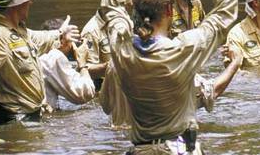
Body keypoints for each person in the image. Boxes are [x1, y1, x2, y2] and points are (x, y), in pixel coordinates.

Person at [103, 0, 237, 155]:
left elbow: (111, 7)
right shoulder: (184, 49)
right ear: (168, 11)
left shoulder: (122, 48)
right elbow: (226, 11)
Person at [0, 0, 80, 123]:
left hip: (29, 120)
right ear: (17, 4)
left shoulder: (19, 31)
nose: (31, 2)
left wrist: (62, 34)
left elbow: (41, 38)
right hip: (13, 121)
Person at [100, 46, 244, 129]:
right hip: (160, 147)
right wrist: (236, 62)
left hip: (121, 143)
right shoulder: (168, 61)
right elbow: (210, 91)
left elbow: (106, 106)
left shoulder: (115, 61)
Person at [80, 0, 129, 90]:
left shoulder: (125, 21)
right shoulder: (91, 31)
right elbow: (85, 70)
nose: (128, 4)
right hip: (105, 90)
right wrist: (111, 66)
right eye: (123, 0)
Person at [38, 17, 96, 109]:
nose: (73, 43)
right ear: (61, 40)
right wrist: (82, 63)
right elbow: (86, 93)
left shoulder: (39, 54)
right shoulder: (54, 57)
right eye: (71, 39)